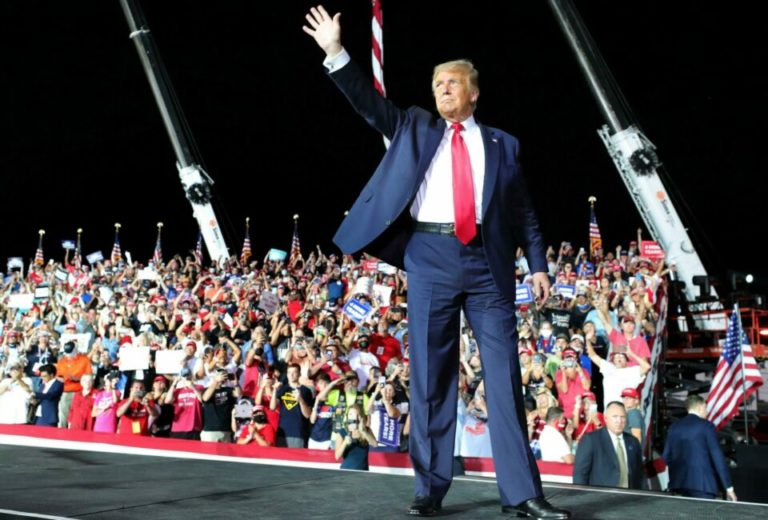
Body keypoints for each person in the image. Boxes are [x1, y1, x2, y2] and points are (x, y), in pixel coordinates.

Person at [303, 6, 567, 518]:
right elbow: (367, 105)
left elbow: (524, 215)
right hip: (429, 256)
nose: (442, 89)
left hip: (489, 268)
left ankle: (524, 495)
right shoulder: (415, 126)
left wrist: (538, 265)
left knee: (504, 378)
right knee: (430, 378)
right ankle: (430, 489)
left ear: (474, 93)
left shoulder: (503, 145)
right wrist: (336, 52)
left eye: (452, 83)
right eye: (437, 83)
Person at [663, 394, 737, 500]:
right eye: (705, 408)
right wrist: (728, 488)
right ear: (699, 407)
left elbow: (666, 456)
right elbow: (717, 458)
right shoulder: (706, 426)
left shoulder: (674, 426)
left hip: (678, 485)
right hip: (703, 486)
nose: (707, 412)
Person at [573, 402, 644, 489]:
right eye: (615, 416)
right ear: (605, 418)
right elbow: (580, 474)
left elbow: (640, 475)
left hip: (629, 499)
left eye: (622, 417)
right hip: (601, 499)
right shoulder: (591, 440)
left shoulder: (633, 442)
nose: (619, 421)